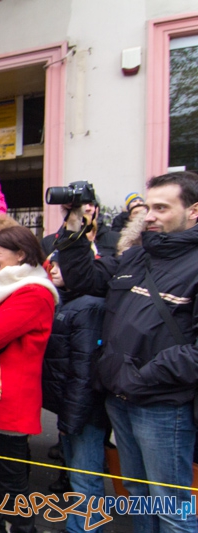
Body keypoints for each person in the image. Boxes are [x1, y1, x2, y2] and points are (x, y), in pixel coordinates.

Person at [57, 171, 198, 533]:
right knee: (137, 491)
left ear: (194, 211)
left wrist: (141, 377)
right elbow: (85, 279)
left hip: (162, 405)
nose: (148, 215)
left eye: (162, 208)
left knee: (171, 506)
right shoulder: (138, 257)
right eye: (147, 207)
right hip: (121, 398)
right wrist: (74, 225)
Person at [0, 225, 57, 533]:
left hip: (10, 398)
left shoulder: (34, 293)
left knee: (11, 480)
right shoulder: (6, 287)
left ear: (20, 254)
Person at [41, 252, 108, 533]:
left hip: (83, 412)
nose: (54, 270)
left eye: (61, 265)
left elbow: (83, 372)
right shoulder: (69, 303)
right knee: (79, 476)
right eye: (52, 264)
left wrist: (71, 419)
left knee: (85, 478)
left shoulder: (89, 308)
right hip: (73, 408)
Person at [43, 197, 119, 259]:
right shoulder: (49, 242)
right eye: (80, 206)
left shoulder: (117, 239)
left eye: (91, 204)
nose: (87, 208)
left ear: (97, 209)